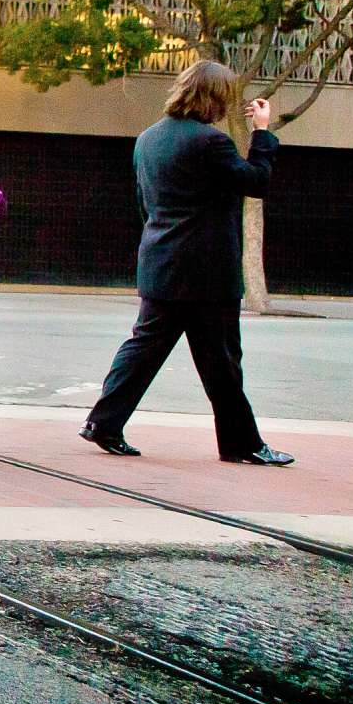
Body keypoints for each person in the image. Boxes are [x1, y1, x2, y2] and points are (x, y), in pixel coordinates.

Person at [80, 61, 290, 465]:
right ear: (215, 98)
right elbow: (255, 182)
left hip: (161, 261)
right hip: (207, 272)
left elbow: (146, 205)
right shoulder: (211, 142)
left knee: (143, 348)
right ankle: (242, 445)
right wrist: (263, 133)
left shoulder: (148, 138)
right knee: (222, 361)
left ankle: (103, 422)